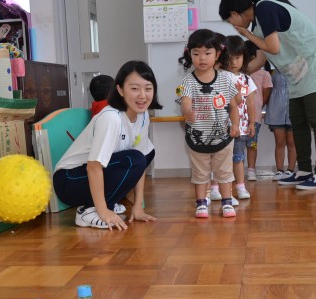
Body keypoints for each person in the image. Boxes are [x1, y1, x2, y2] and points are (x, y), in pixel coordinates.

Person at [220, 0, 316, 190]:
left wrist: (247, 35)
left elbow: (274, 48)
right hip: (297, 71)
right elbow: (261, 58)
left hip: (313, 63)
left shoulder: (264, 7)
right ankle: (304, 170)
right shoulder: (258, 23)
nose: (233, 24)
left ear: (235, 13)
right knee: (298, 120)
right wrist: (233, 78)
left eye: (230, 20)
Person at [52, 61, 162, 230]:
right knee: (134, 159)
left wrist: (138, 206)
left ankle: (104, 204)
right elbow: (93, 167)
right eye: (134, 88)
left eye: (148, 88)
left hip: (90, 174)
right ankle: (89, 211)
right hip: (69, 180)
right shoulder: (111, 118)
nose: (142, 95)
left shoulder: (143, 115)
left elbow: (142, 164)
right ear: (120, 90)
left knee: (145, 155)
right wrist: (103, 211)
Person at [177, 29, 240, 218]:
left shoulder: (225, 79)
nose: (201, 58)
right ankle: (201, 203)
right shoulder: (188, 81)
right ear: (190, 54)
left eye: (207, 53)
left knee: (224, 171)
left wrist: (235, 125)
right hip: (197, 138)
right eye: (196, 54)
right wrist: (187, 111)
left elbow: (234, 106)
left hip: (223, 136)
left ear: (217, 54)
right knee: (200, 172)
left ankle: (227, 202)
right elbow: (185, 101)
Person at [224, 35, 257, 199]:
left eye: (237, 58)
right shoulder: (221, 77)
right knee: (221, 161)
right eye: (229, 58)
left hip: (241, 128)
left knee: (238, 158)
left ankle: (241, 187)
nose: (233, 62)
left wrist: (252, 123)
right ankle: (217, 189)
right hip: (223, 128)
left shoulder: (246, 79)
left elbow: (251, 103)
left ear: (244, 58)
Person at [245, 40, 273, 182]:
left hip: (254, 117)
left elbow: (266, 93)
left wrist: (259, 105)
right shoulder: (239, 74)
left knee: (252, 144)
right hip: (237, 118)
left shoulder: (264, 75)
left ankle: (251, 170)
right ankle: (232, 169)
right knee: (235, 146)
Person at [266, 64, 296, 182]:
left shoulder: (297, 68)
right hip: (276, 110)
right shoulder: (273, 71)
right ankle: (279, 170)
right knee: (279, 141)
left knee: (291, 142)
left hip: (293, 109)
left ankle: (291, 170)